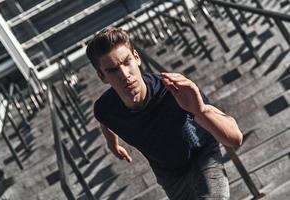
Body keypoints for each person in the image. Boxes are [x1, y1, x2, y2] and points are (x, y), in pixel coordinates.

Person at [86, 26, 243, 200]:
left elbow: (235, 138)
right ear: (102, 77)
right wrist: (112, 145)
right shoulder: (105, 109)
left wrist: (201, 110)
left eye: (126, 62)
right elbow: (106, 122)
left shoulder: (172, 89)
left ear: (136, 58)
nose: (124, 74)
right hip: (170, 176)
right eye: (113, 70)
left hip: (201, 156)